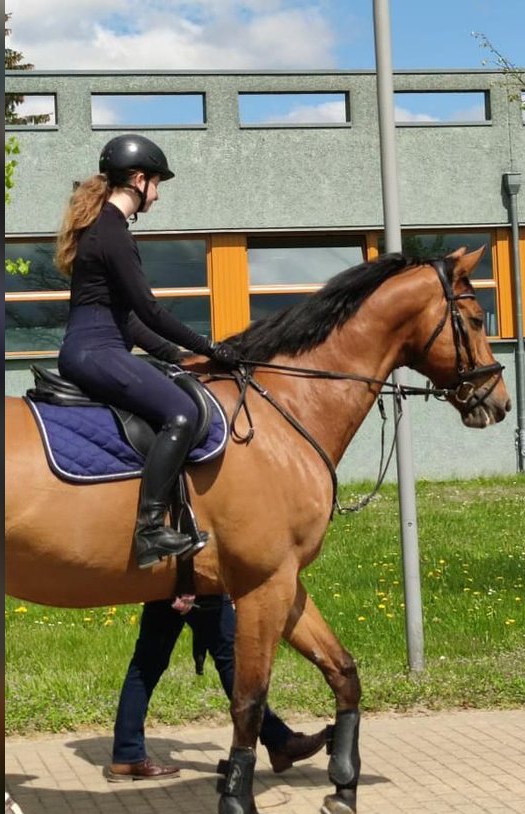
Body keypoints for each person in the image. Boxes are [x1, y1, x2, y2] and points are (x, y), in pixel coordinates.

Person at [53, 134, 240, 568]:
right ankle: (151, 530)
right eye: (157, 183)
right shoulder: (112, 232)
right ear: (138, 180)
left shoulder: (103, 228)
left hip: (98, 346)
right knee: (182, 413)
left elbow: (130, 321)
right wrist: (209, 345)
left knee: (174, 392)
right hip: (95, 352)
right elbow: (149, 310)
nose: (157, 193)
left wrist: (181, 358)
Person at [106, 595, 332, 781]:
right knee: (232, 659)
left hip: (172, 579)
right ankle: (279, 742)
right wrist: (186, 585)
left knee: (146, 665)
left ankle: (127, 755)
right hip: (193, 581)